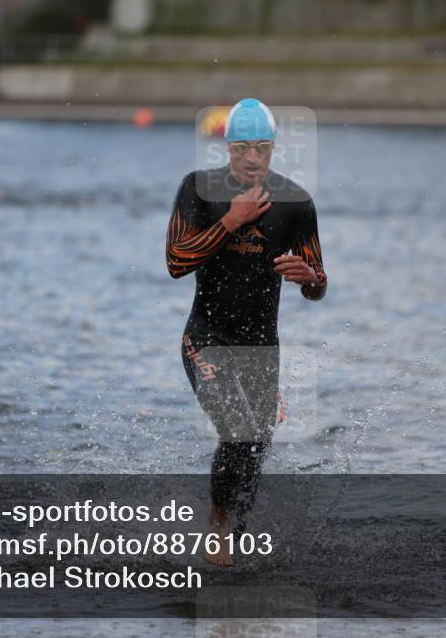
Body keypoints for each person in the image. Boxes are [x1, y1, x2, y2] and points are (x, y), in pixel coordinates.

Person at [166, 99, 327, 566]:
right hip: (206, 336)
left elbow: (319, 284)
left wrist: (310, 279)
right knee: (236, 430)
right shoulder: (199, 190)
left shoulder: (296, 203)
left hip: (260, 346)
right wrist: (232, 220)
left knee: (255, 446)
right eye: (242, 148)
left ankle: (237, 536)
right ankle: (216, 527)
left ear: (274, 148)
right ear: (227, 147)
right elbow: (176, 262)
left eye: (262, 148)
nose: (252, 158)